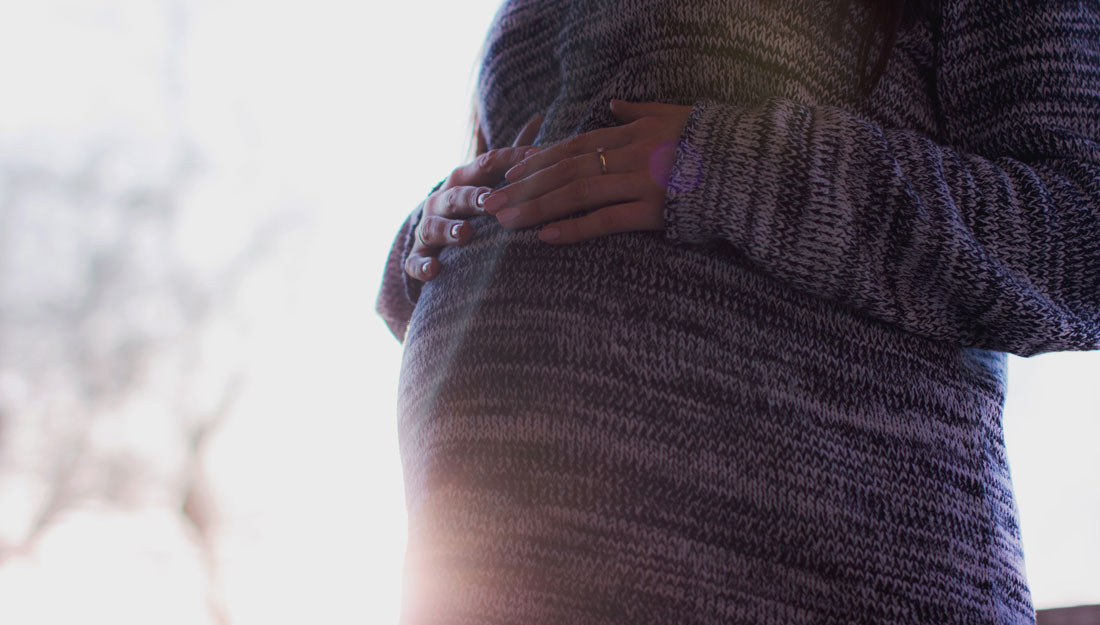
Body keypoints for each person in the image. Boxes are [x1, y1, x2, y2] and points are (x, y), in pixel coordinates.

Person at [376, 1, 1100, 623]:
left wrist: (717, 165)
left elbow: (1078, 235)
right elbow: (556, 163)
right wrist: (433, 236)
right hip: (496, 562)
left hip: (820, 568)